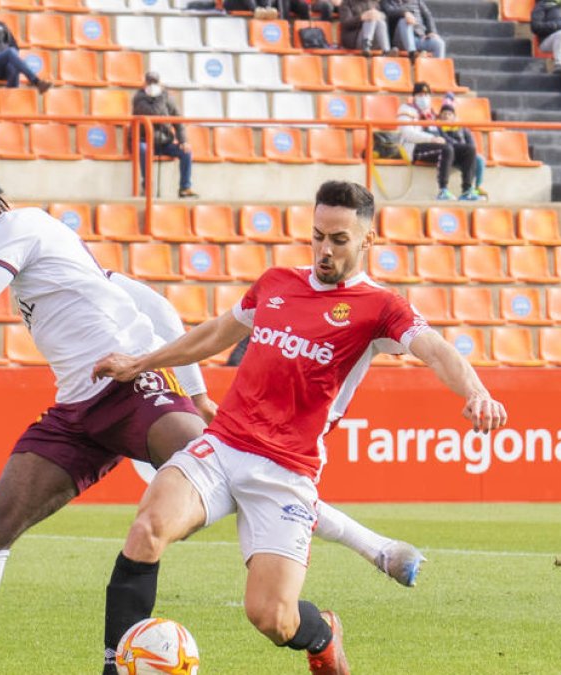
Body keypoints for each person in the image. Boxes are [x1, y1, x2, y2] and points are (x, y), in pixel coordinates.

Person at [0, 190, 425, 675]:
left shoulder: (21, 224)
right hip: (77, 410)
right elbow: (155, 304)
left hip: (136, 390)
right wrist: (201, 392)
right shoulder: (52, 260)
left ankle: (372, 547)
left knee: (227, 464)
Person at [96, 180, 508, 675]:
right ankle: (115, 666)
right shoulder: (275, 283)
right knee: (146, 529)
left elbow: (437, 351)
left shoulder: (381, 308)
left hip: (286, 472)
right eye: (317, 236)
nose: (324, 250)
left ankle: (324, 634)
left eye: (338, 239)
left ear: (366, 241)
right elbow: (212, 335)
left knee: (272, 617)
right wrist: (141, 362)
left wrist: (477, 392)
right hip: (223, 446)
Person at [398, 82, 478, 201]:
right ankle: (443, 190)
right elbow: (408, 133)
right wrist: (431, 138)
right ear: (414, 96)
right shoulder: (406, 109)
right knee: (446, 148)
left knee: (469, 150)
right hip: (415, 147)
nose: (423, 97)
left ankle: (467, 190)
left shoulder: (432, 114)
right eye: (420, 94)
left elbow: (444, 130)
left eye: (426, 94)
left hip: (435, 145)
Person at [132, 72, 197, 199]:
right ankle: (147, 185)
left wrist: (183, 141)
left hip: (164, 142)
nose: (152, 85)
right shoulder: (139, 98)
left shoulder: (167, 97)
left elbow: (178, 121)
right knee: (143, 150)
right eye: (150, 82)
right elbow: (154, 112)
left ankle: (185, 187)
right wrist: (162, 96)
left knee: (186, 152)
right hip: (145, 140)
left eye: (155, 82)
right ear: (145, 83)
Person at [434, 103, 486, 199]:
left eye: (449, 114)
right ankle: (450, 191)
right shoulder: (438, 128)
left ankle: (476, 187)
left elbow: (471, 143)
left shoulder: (462, 128)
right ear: (440, 116)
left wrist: (470, 151)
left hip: (464, 153)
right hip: (450, 153)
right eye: (444, 114)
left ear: (454, 116)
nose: (446, 116)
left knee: (479, 159)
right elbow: (447, 141)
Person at [531, 0, 561, 71]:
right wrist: (556, 25)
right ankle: (559, 65)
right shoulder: (542, 6)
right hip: (548, 41)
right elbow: (535, 27)